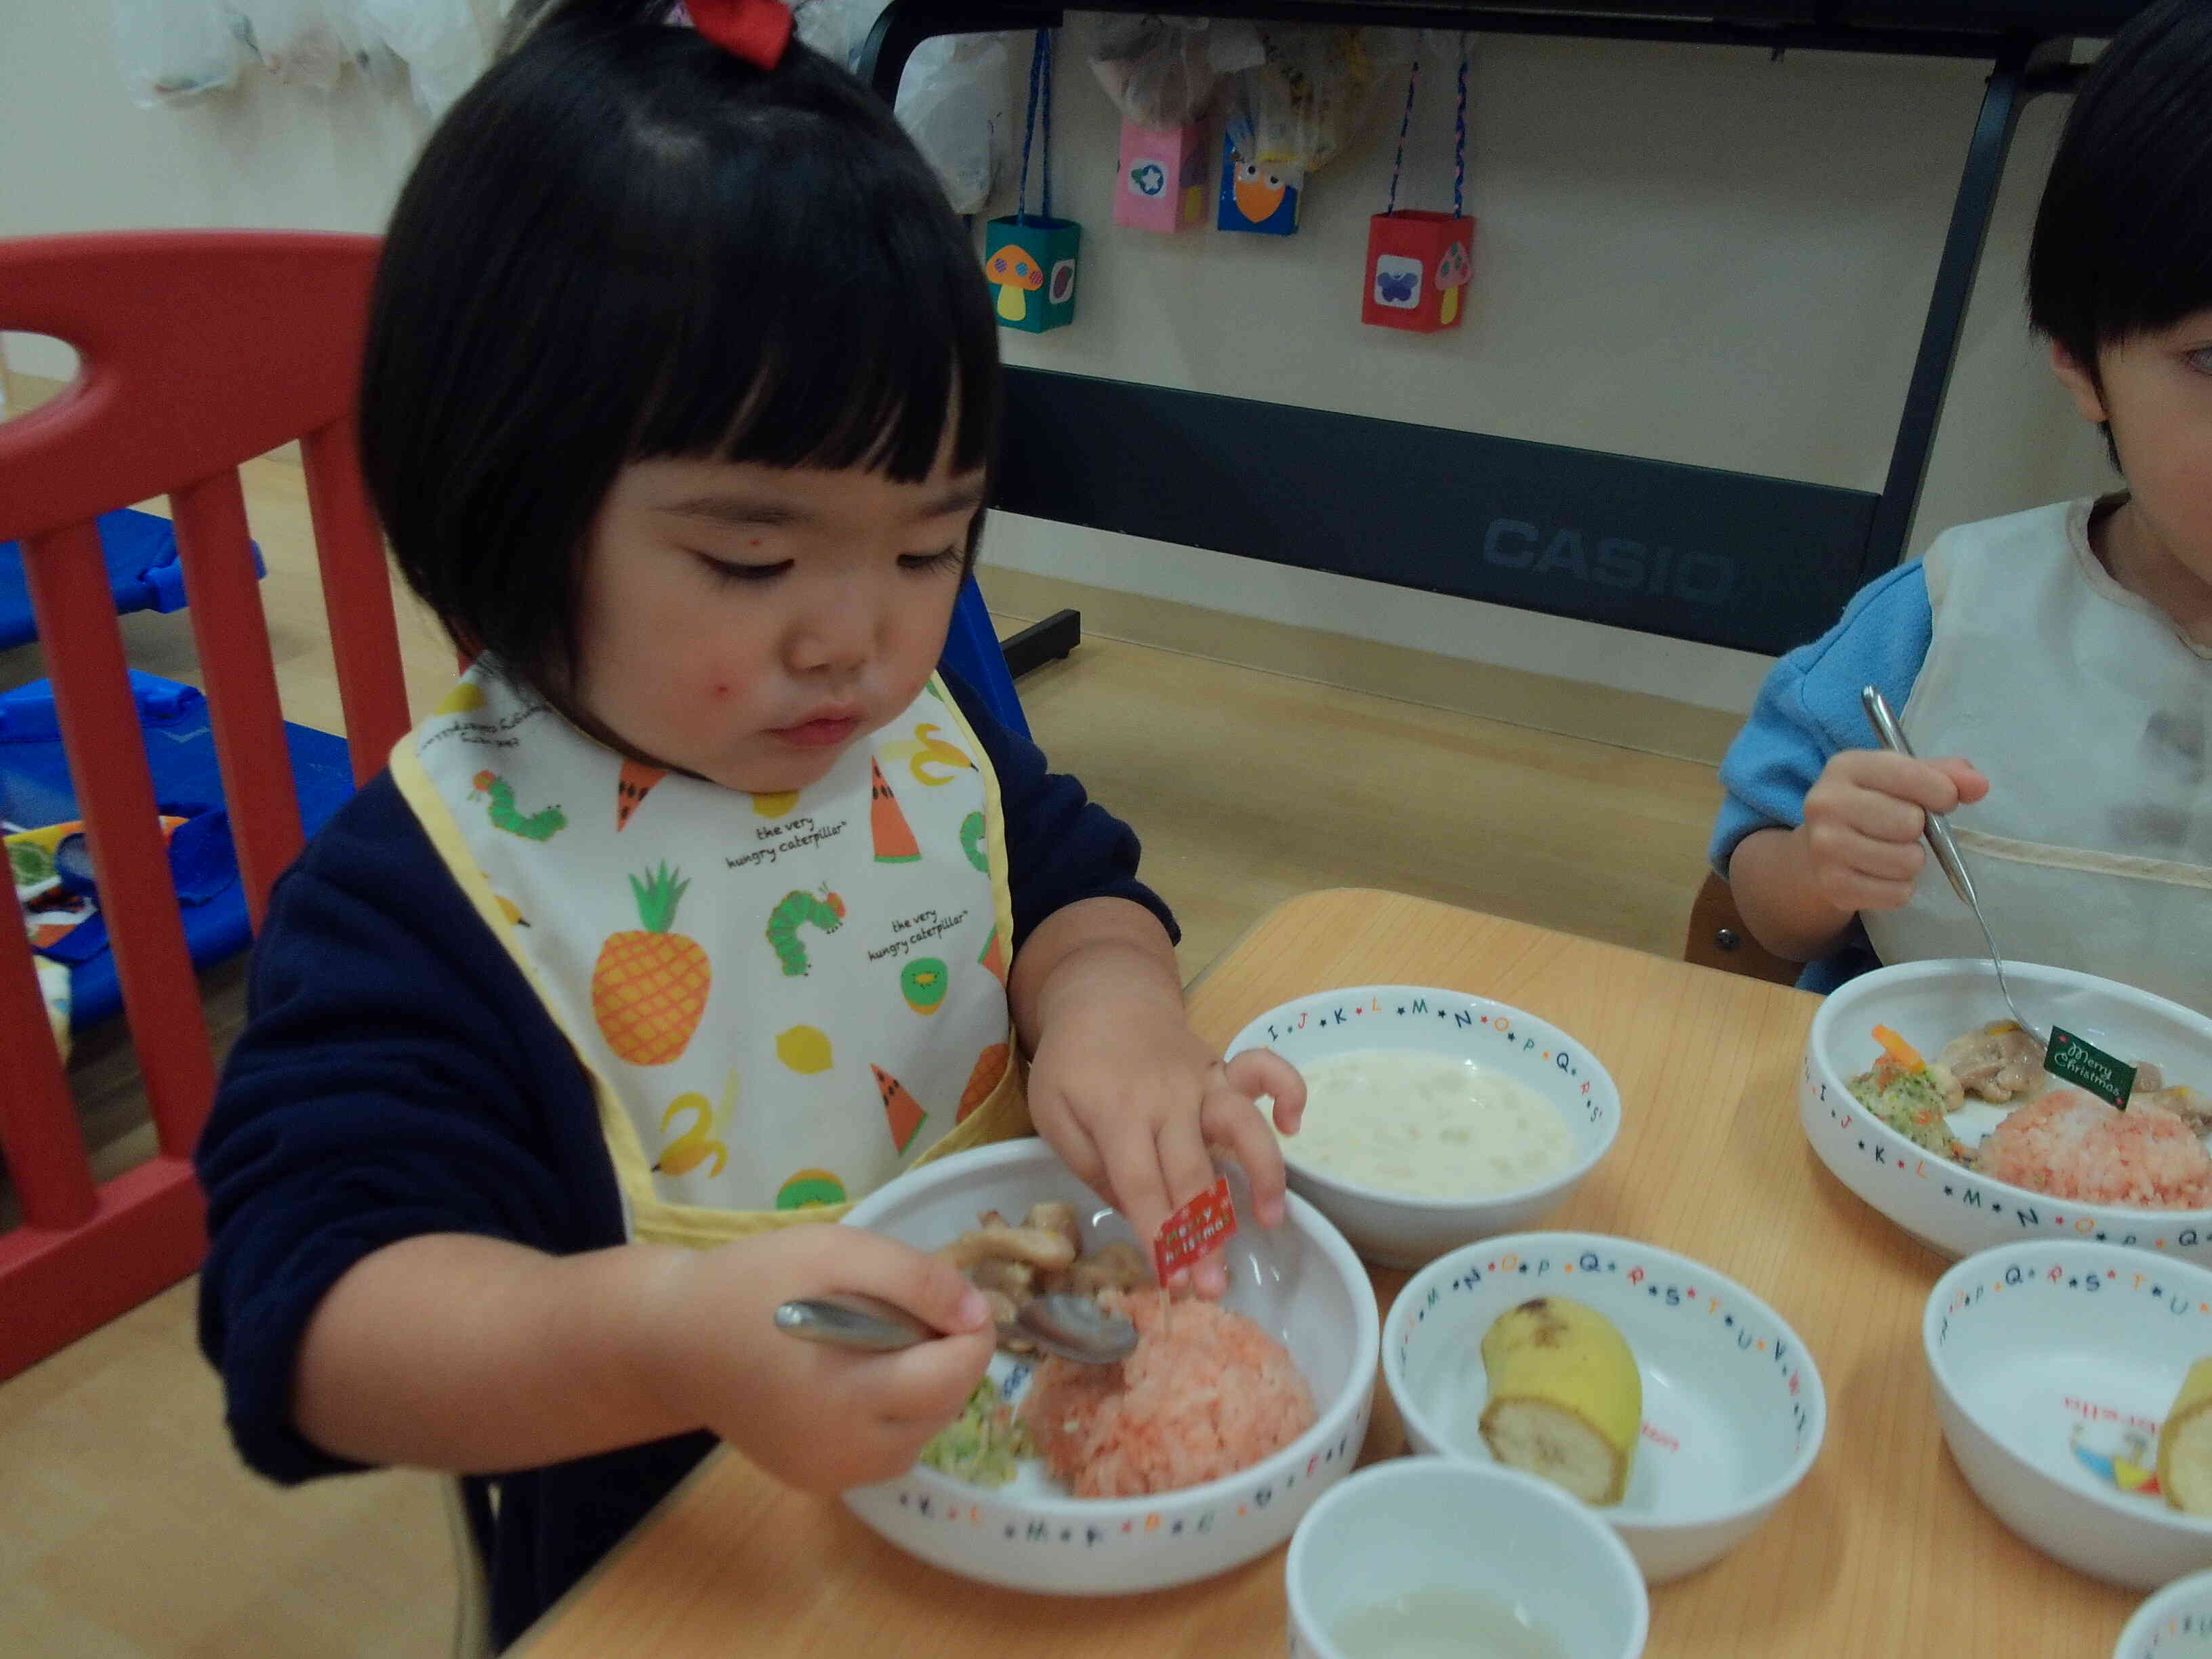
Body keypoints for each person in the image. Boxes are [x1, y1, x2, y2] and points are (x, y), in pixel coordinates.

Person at [194, 2, 1302, 1644]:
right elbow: (310, 1324)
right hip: (700, 1565)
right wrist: (660, 1337)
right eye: (752, 562)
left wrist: (1118, 1012)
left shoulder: (910, 743)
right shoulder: (431, 891)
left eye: (931, 549)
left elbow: (1070, 878)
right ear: (503, 505)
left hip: (1037, 1506)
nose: (856, 640)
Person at [1710, 0, 2212, 1014]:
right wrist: (1820, 866)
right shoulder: (1946, 615)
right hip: (1926, 1121)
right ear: (2082, 364)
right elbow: (1753, 897)